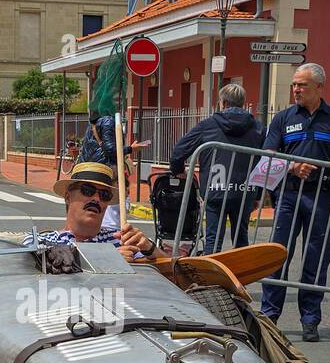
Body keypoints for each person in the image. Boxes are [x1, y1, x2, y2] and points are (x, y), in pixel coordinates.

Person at [260, 63, 330, 341]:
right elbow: (268, 153)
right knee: (278, 254)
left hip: (321, 196)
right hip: (288, 195)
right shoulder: (283, 117)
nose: (296, 89)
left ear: (319, 88)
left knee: (317, 257)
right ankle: (269, 316)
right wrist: (291, 167)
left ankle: (310, 320)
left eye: (302, 85)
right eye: (294, 85)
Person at [169, 83, 263, 254]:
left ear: (223, 103)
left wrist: (178, 171)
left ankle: (211, 278)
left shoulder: (208, 125)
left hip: (216, 189)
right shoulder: (257, 127)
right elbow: (265, 161)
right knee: (241, 238)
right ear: (243, 103)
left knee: (213, 240)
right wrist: (258, 194)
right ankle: (240, 277)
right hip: (245, 190)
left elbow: (178, 151)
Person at [24, 161, 157, 260]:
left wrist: (150, 250)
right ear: (68, 197)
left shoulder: (121, 241)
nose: (96, 199)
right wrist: (107, 259)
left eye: (104, 195)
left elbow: (170, 271)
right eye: (88, 190)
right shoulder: (40, 241)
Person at [80, 112, 148, 230]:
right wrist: (131, 149)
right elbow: (110, 149)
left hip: (92, 168)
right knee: (110, 198)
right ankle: (109, 230)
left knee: (96, 199)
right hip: (106, 170)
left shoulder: (93, 125)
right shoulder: (108, 121)